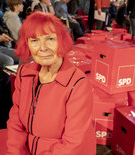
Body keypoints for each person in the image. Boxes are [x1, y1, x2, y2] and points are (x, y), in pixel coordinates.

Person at [6, 12, 96, 154]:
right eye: (34, 40)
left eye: (50, 39)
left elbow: (72, 144)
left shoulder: (77, 84)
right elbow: (16, 123)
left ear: (61, 41)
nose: (42, 48)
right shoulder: (24, 73)